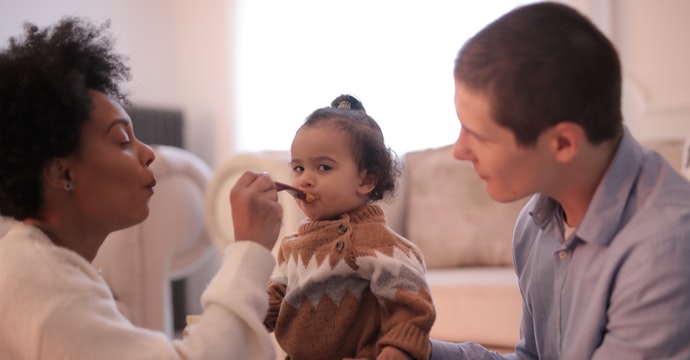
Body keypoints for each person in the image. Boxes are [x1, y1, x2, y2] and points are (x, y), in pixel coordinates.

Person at [0, 17, 283, 359]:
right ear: (61, 172)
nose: (148, 153)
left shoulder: (36, 262)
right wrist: (250, 249)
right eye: (122, 140)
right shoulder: (46, 287)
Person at [431, 2, 690, 359]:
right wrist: (420, 352)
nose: (459, 151)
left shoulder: (664, 251)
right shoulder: (535, 224)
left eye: (480, 135)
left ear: (564, 143)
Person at [263, 94, 436, 360]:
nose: (304, 180)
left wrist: (399, 348)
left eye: (323, 167)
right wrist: (234, 313)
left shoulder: (380, 244)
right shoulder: (292, 246)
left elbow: (411, 304)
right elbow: (272, 305)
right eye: (298, 167)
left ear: (366, 180)